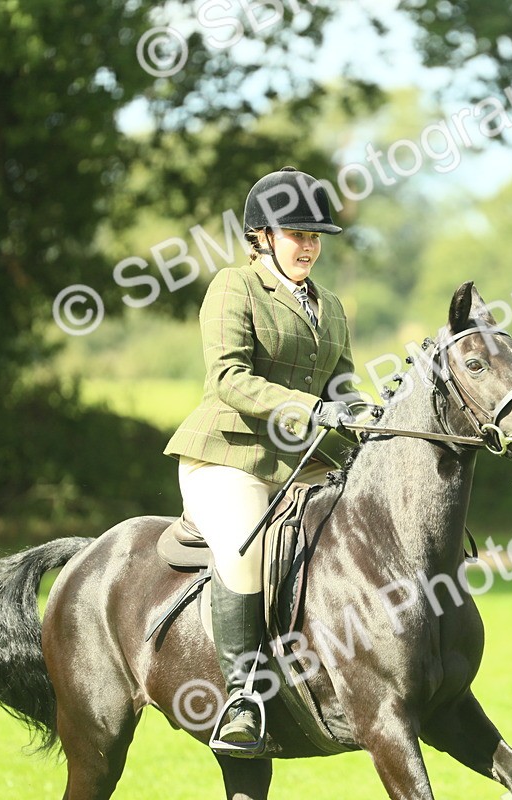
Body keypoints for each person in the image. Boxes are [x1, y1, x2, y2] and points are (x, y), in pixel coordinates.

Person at [164, 166, 357, 749]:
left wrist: (370, 418)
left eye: (315, 236)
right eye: (297, 234)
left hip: (300, 463)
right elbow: (229, 377)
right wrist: (312, 408)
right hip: (229, 455)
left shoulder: (331, 306)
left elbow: (341, 389)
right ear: (263, 237)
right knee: (246, 551)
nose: (308, 246)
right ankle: (242, 698)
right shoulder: (234, 286)